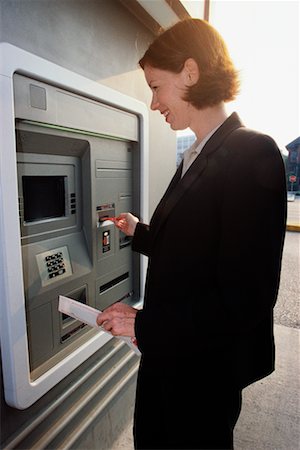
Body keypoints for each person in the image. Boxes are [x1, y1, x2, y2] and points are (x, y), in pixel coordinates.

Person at [97, 18, 287, 450]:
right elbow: (196, 246)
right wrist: (138, 231)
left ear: (190, 72)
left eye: (155, 86)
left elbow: (246, 298)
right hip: (170, 356)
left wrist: (146, 324)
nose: (152, 103)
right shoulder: (197, 154)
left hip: (203, 371)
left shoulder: (251, 150)